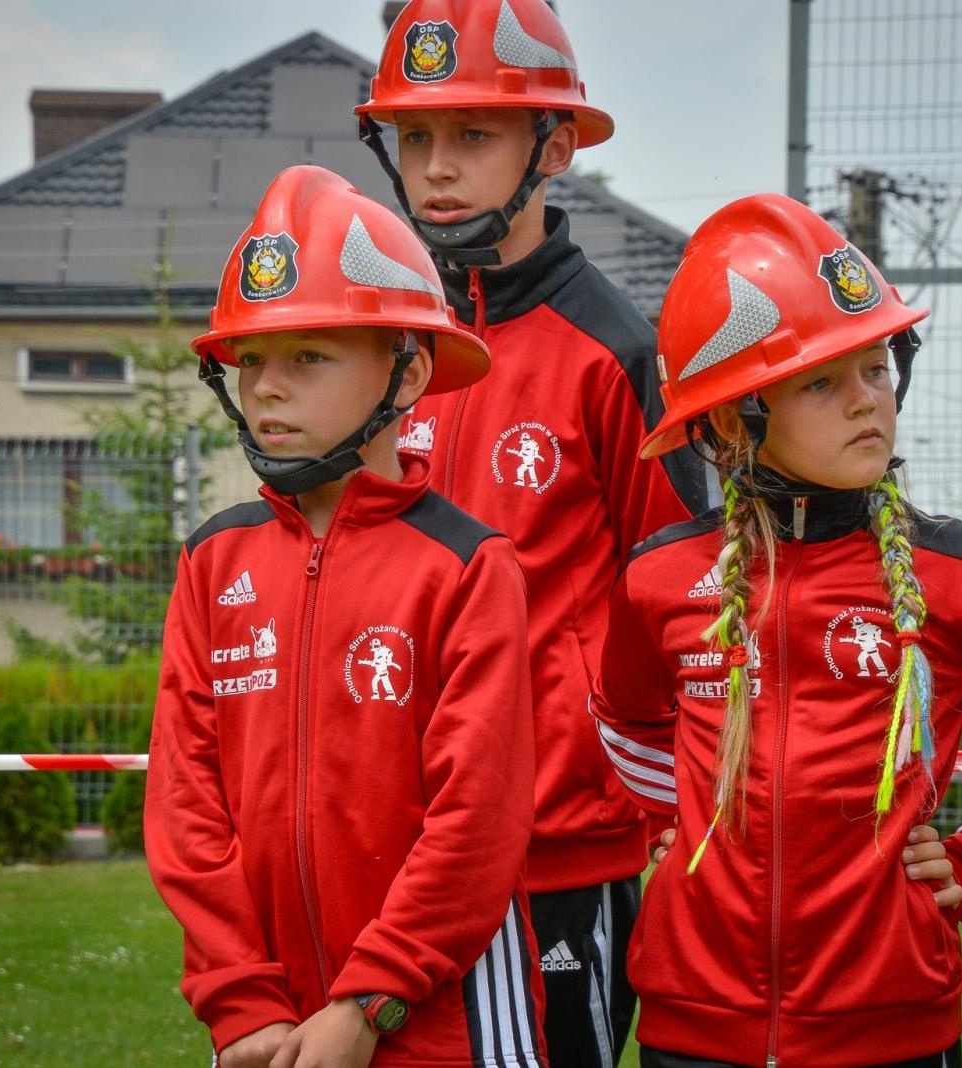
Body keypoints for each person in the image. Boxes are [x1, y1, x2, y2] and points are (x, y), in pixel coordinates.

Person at [590, 193, 962, 1068]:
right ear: (732, 418)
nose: (866, 401)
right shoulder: (657, 576)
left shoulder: (955, 574)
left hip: (894, 1032)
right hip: (692, 1028)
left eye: (876, 366)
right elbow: (620, 714)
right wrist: (678, 812)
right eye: (821, 380)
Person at [353, 4, 711, 1065]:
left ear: (552, 147)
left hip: (559, 855)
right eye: (415, 137)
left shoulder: (614, 351)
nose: (436, 169)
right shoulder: (380, 344)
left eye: (472, 135)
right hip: (392, 847)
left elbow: (687, 609)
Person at [145, 165, 544, 1068]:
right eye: (252, 361)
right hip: (267, 1026)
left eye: (308, 357)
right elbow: (185, 805)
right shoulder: (214, 561)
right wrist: (241, 1002)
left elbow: (477, 818)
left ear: (407, 374)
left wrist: (371, 1001)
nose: (268, 389)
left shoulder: (468, 565)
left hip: (444, 1022)